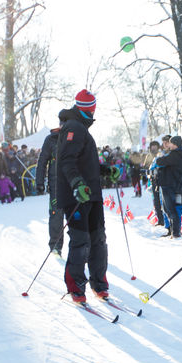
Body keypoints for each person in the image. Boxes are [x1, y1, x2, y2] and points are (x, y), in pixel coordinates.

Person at [56, 89, 116, 303]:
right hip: (77, 196)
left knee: (98, 240)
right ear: (87, 108)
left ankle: (99, 284)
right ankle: (76, 288)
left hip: (92, 195)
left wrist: (105, 170)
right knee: (81, 241)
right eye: (92, 108)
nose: (93, 111)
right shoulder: (72, 127)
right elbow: (66, 161)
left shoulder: (81, 128)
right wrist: (77, 184)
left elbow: (85, 163)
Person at [35, 126, 63, 256]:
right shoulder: (51, 139)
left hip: (73, 183)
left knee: (76, 216)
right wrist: (39, 182)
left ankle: (80, 247)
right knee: (56, 214)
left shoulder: (76, 136)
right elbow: (42, 161)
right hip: (56, 183)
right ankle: (55, 245)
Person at [155, 135, 182, 238]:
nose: (169, 145)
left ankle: (175, 232)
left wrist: (160, 157)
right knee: (169, 209)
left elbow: (160, 161)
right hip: (173, 183)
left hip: (169, 184)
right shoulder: (180, 154)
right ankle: (174, 231)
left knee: (170, 209)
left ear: (175, 144)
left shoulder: (176, 154)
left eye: (170, 143)